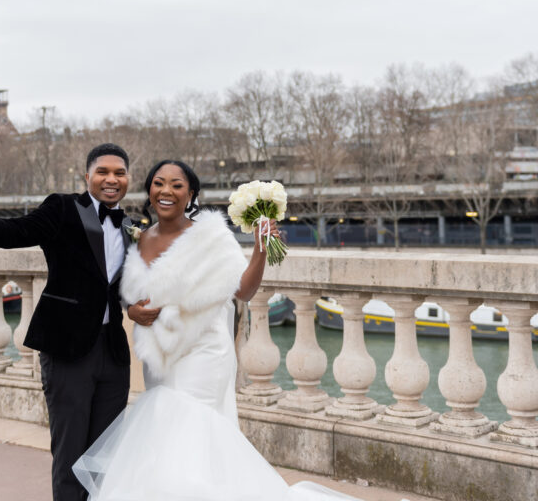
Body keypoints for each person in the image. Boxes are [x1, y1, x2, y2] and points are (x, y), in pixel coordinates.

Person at [73, 160, 407, 501]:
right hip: (162, 359)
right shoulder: (139, 238)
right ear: (149, 191)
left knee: (192, 432)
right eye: (159, 183)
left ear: (191, 194)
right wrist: (132, 310)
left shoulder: (211, 235)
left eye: (177, 184)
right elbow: (129, 294)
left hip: (204, 353)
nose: (166, 191)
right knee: (164, 434)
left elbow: (243, 291)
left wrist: (260, 249)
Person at [0, 143, 134, 501]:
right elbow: (16, 232)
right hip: (68, 348)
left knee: (104, 455)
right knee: (70, 454)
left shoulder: (131, 224)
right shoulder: (64, 207)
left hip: (113, 352)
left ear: (128, 179)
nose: (111, 179)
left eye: (120, 173)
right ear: (88, 177)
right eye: (103, 172)